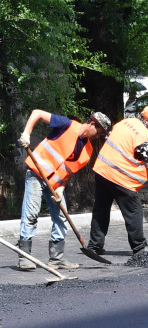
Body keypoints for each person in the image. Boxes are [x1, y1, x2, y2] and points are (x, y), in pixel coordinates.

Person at [15, 110, 111, 270]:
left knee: (61, 218)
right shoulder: (66, 124)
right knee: (31, 214)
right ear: (93, 124)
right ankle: (24, 257)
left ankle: (56, 258)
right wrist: (26, 134)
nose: (98, 137)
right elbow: (37, 113)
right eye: (99, 132)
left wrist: (60, 189)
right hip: (36, 173)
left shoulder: (87, 151)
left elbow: (68, 171)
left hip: (54, 184)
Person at [88, 105, 148, 256]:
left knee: (101, 209)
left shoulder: (125, 123)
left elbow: (116, 143)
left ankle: (94, 245)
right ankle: (140, 247)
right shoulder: (144, 136)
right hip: (121, 177)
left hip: (103, 170)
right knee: (133, 211)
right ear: (147, 119)